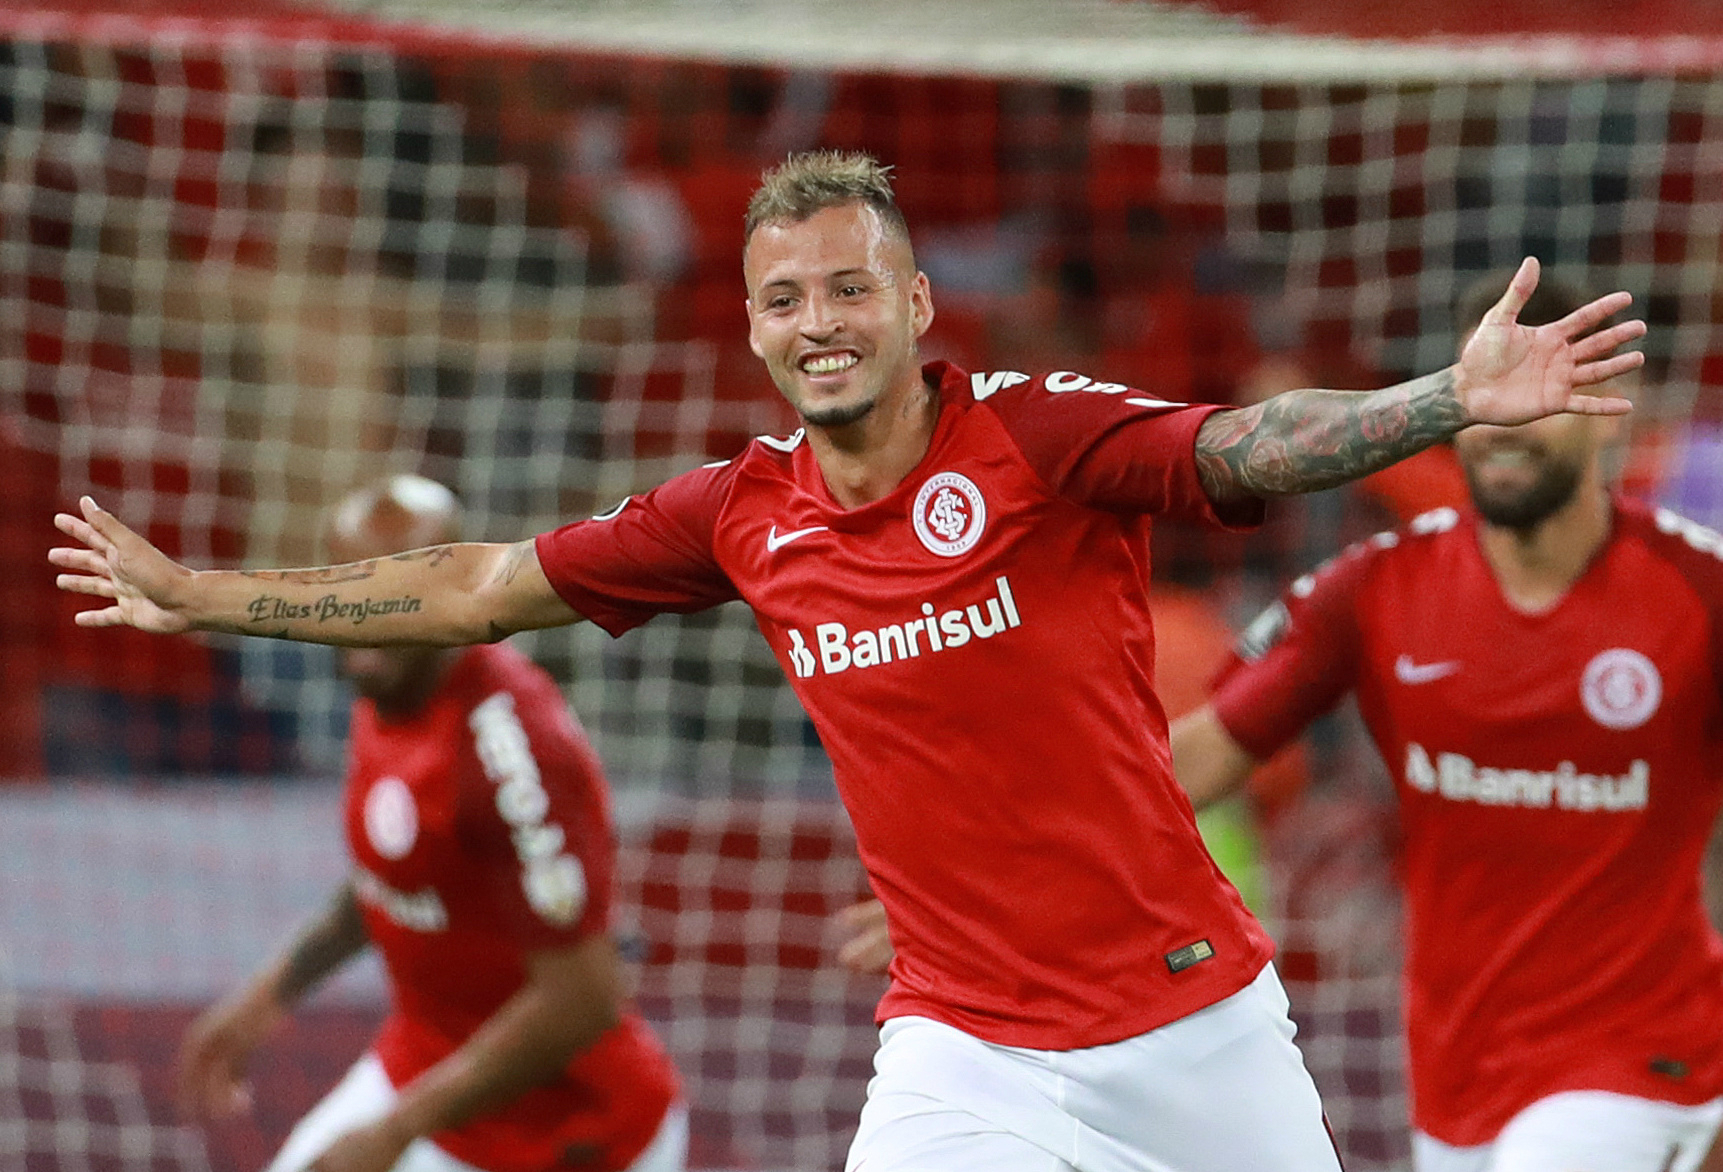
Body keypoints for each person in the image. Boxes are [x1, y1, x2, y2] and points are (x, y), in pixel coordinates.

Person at [56, 151, 1643, 1172]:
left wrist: (1441, 402)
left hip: (1189, 1024)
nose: (816, 320)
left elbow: (1246, 442)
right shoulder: (737, 514)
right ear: (752, 329)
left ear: (915, 303)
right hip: (960, 1045)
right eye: (782, 298)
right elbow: (475, 587)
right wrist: (204, 596)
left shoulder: (1034, 436)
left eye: (846, 287)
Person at [1166, 270, 1723, 1172]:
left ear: (1604, 409)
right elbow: (1190, 763)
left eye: (1537, 391)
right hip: (1455, 1071)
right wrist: (992, 860)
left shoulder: (1698, 592)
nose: (1504, 423)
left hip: (1641, 1055)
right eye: (1482, 393)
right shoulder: (1374, 588)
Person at [174, 475, 686, 1172]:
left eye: (398, 589)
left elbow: (585, 999)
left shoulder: (511, 751)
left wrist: (392, 1134)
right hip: (424, 1065)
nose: (367, 613)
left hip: (569, 1135)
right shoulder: (382, 688)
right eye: (348, 587)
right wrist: (264, 1000)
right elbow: (396, 873)